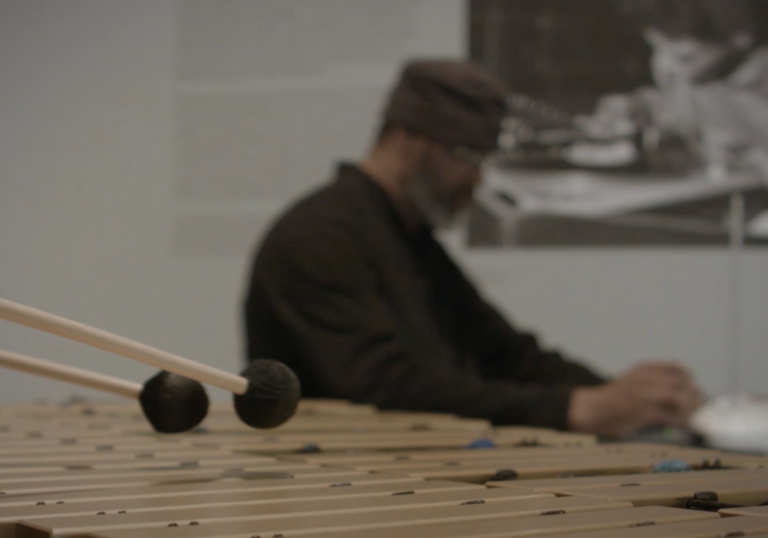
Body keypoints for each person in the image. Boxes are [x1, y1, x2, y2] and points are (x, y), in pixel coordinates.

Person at [243, 59, 702, 438]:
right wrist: (573, 408)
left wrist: (624, 395)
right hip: (336, 494)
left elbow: (506, 354)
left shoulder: (408, 236)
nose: (479, 179)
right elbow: (384, 390)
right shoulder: (319, 236)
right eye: (471, 155)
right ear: (412, 140)